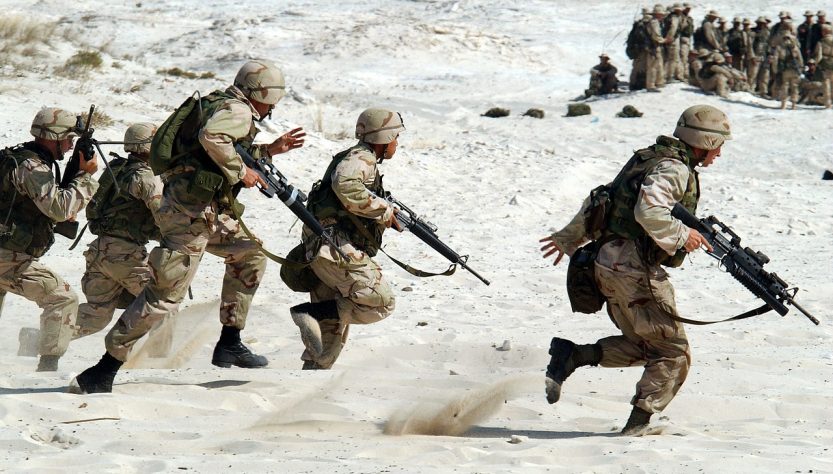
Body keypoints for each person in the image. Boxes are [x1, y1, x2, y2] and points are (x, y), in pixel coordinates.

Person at [70, 60, 306, 393]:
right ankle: (102, 370)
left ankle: (230, 341)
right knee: (164, 297)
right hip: (188, 216)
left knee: (250, 254)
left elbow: (213, 151)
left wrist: (268, 151)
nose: (272, 107)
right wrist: (242, 173)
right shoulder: (237, 110)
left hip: (207, 212)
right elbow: (213, 138)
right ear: (261, 93)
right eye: (272, 100)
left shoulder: (220, 103)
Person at [539, 104, 732, 436]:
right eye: (718, 146)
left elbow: (605, 200)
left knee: (647, 345)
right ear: (704, 141)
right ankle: (637, 426)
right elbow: (648, 212)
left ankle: (573, 355)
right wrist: (684, 235)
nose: (718, 155)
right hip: (632, 269)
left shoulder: (649, 158)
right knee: (673, 352)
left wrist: (570, 237)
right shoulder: (674, 169)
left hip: (606, 263)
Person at [289, 108, 404, 370]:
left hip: (325, 249)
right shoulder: (361, 159)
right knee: (381, 301)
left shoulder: (357, 158)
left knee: (328, 336)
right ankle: (307, 312)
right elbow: (346, 184)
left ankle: (307, 386)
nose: (397, 143)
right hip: (334, 249)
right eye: (395, 137)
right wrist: (384, 210)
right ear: (383, 138)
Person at [0, 108, 99, 371]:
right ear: (54, 137)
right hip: (8, 257)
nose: (69, 147)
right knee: (62, 299)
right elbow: (59, 208)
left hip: (7, 251)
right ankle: (48, 366)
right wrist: (85, 177)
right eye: (68, 140)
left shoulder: (18, 158)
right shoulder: (32, 166)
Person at [73, 123, 171, 355]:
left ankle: (41, 337)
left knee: (95, 315)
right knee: (164, 301)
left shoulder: (115, 169)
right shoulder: (146, 177)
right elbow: (165, 217)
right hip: (125, 255)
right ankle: (162, 359)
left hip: (99, 250)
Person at [774, 34, 804, 109]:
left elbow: (775, 59)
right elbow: (800, 59)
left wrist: (775, 69)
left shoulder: (779, 47)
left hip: (785, 70)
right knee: (795, 87)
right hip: (794, 70)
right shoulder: (795, 47)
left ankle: (783, 104)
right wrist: (800, 69)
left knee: (785, 86)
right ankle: (794, 104)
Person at [813, 24, 833, 108]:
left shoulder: (821, 42)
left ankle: (828, 103)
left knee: (826, 83)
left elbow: (819, 56)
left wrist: (816, 64)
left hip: (825, 64)